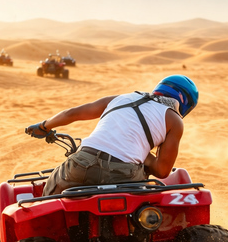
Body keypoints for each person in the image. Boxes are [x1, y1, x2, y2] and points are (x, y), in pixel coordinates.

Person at [25, 75, 198, 196]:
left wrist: (43, 126)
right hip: (124, 174)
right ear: (184, 102)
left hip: (82, 164)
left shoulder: (120, 98)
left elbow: (72, 113)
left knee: (49, 193)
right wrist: (140, 151)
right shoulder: (174, 120)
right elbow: (162, 171)